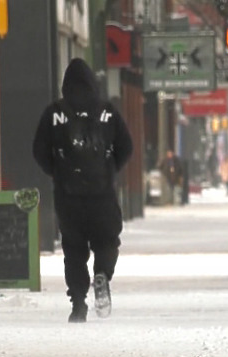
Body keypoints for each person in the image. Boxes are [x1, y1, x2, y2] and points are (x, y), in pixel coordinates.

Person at [32, 58, 133, 323]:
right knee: (107, 240)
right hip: (102, 195)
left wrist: (58, 172)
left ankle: (78, 303)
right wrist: (110, 170)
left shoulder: (54, 113)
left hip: (68, 196)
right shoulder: (107, 112)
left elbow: (39, 151)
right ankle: (102, 274)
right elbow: (127, 146)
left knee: (74, 250)